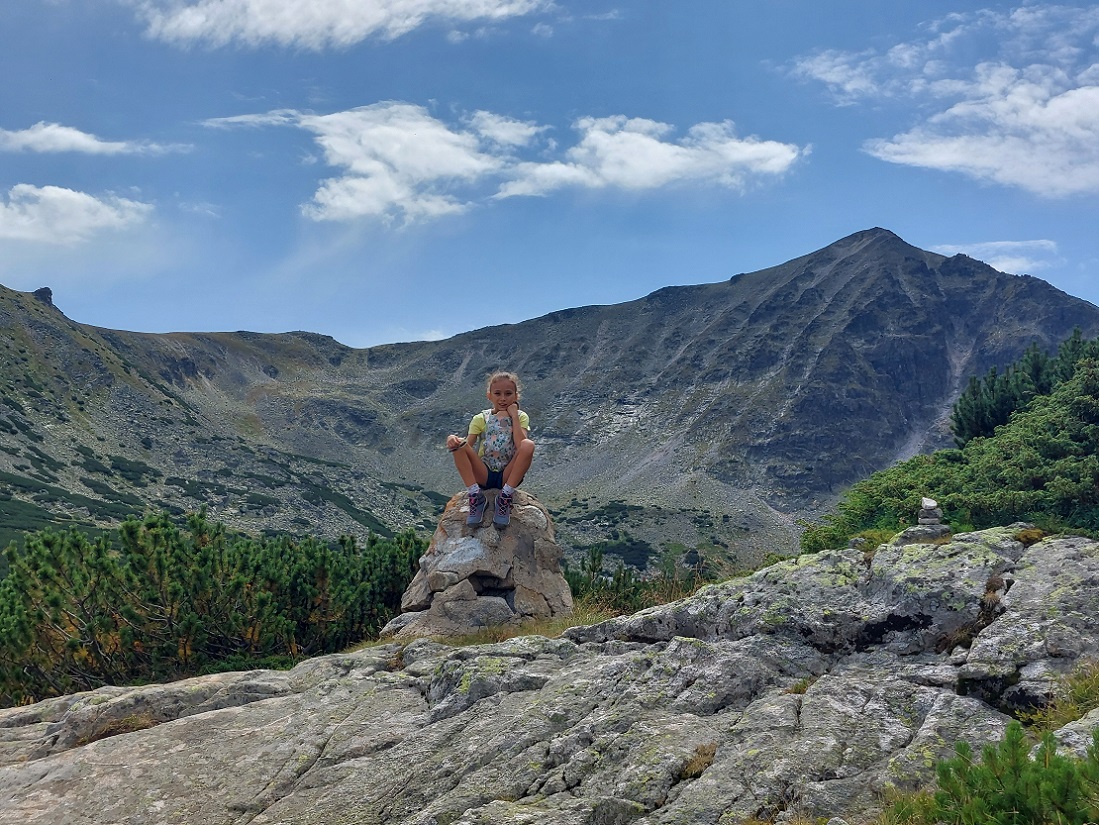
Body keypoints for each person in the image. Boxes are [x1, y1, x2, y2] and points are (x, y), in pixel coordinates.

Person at [446, 371, 535, 527]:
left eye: (508, 394)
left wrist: (513, 416)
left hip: (508, 474)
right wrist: (453, 440)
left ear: (515, 396)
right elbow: (468, 444)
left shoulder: (521, 417)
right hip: (484, 473)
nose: (502, 398)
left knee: (529, 445)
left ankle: (505, 497)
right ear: (489, 396)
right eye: (497, 393)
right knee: (458, 446)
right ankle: (475, 495)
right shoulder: (480, 419)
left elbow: (521, 444)